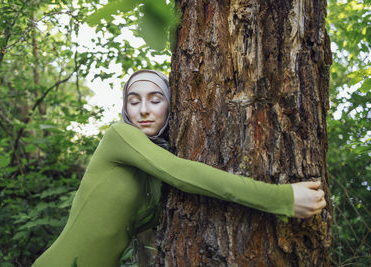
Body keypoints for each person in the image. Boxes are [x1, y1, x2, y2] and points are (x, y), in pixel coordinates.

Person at [32, 70, 326, 267]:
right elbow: (186, 174)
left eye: (155, 99)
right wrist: (281, 198)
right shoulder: (120, 136)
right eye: (133, 102)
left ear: (171, 105)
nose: (143, 110)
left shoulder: (151, 167)